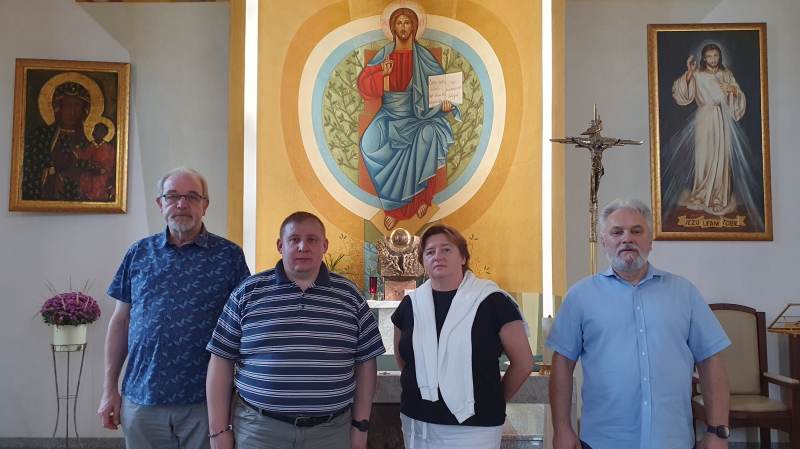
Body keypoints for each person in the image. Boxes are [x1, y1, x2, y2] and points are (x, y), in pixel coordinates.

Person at [547, 199, 731, 449]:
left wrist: (718, 431)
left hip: (672, 440)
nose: (627, 239)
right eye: (617, 232)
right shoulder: (580, 297)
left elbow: (710, 361)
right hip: (604, 440)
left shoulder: (684, 293)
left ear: (650, 240)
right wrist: (562, 427)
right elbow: (562, 363)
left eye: (636, 231)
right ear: (604, 241)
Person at [97, 167, 250, 449]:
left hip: (205, 402)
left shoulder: (229, 256)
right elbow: (120, 322)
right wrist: (109, 389)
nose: (182, 204)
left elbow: (244, 328)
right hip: (142, 399)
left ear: (205, 205)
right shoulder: (138, 253)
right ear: (160, 203)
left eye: (192, 196)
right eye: (173, 196)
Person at [206, 211, 385, 449]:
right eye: (294, 239)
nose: (303, 247)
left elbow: (366, 364)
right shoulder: (247, 293)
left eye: (312, 239)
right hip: (260, 431)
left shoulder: (350, 297)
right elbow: (221, 360)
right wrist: (218, 431)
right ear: (280, 245)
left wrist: (360, 427)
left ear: (324, 245)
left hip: (330, 433)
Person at [391, 224, 533, 449]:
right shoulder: (411, 304)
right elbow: (404, 360)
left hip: (475, 428)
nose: (438, 256)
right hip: (418, 423)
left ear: (463, 257)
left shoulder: (492, 301)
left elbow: (523, 364)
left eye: (446, 249)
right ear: (422, 262)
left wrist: (493, 399)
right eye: (430, 252)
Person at [357, 7, 460, 231]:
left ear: (414, 26)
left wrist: (445, 105)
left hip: (419, 115)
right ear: (392, 27)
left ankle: (422, 199)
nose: (403, 27)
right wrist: (381, 73)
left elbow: (442, 89)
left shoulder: (424, 57)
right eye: (399, 23)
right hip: (389, 114)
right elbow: (364, 85)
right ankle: (394, 208)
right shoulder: (384, 55)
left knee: (428, 134)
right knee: (368, 143)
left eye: (407, 22)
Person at [665, 43, 764, 230]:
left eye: (716, 55)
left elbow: (738, 97)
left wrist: (733, 91)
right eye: (709, 56)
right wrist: (689, 72)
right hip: (704, 118)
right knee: (704, 157)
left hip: (722, 119)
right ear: (704, 58)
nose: (713, 59)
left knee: (721, 157)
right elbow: (682, 94)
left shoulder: (727, 74)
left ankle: (718, 197)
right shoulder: (697, 74)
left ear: (720, 57)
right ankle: (702, 194)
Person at [22, 81, 101, 200]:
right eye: (68, 105)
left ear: (84, 110)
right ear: (58, 107)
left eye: (77, 106)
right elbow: (32, 170)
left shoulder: (90, 138)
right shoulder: (41, 136)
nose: (72, 112)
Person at [76, 122, 115, 201]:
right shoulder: (89, 146)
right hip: (89, 174)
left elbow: (110, 163)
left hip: (102, 175)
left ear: (104, 134)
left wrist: (103, 169)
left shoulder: (109, 148)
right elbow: (84, 157)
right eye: (94, 130)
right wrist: (78, 150)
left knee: (99, 187)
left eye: (98, 131)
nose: (94, 133)